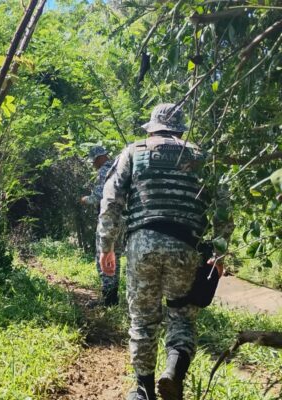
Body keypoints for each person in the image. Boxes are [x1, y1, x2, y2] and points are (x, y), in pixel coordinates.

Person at [97, 103, 234, 400]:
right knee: (181, 316)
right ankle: (173, 370)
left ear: (152, 128)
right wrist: (219, 251)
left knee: (143, 320)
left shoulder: (133, 152)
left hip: (141, 245)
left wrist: (106, 246)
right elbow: (223, 205)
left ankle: (143, 390)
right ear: (180, 129)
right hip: (186, 247)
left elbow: (111, 200)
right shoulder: (201, 157)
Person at [81, 145, 122, 307]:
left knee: (103, 256)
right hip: (122, 220)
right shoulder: (119, 168)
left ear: (99, 158)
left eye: (93, 161)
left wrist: (85, 199)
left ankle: (108, 298)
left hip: (108, 220)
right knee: (115, 257)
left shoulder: (105, 171)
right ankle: (112, 297)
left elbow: (99, 196)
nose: (93, 165)